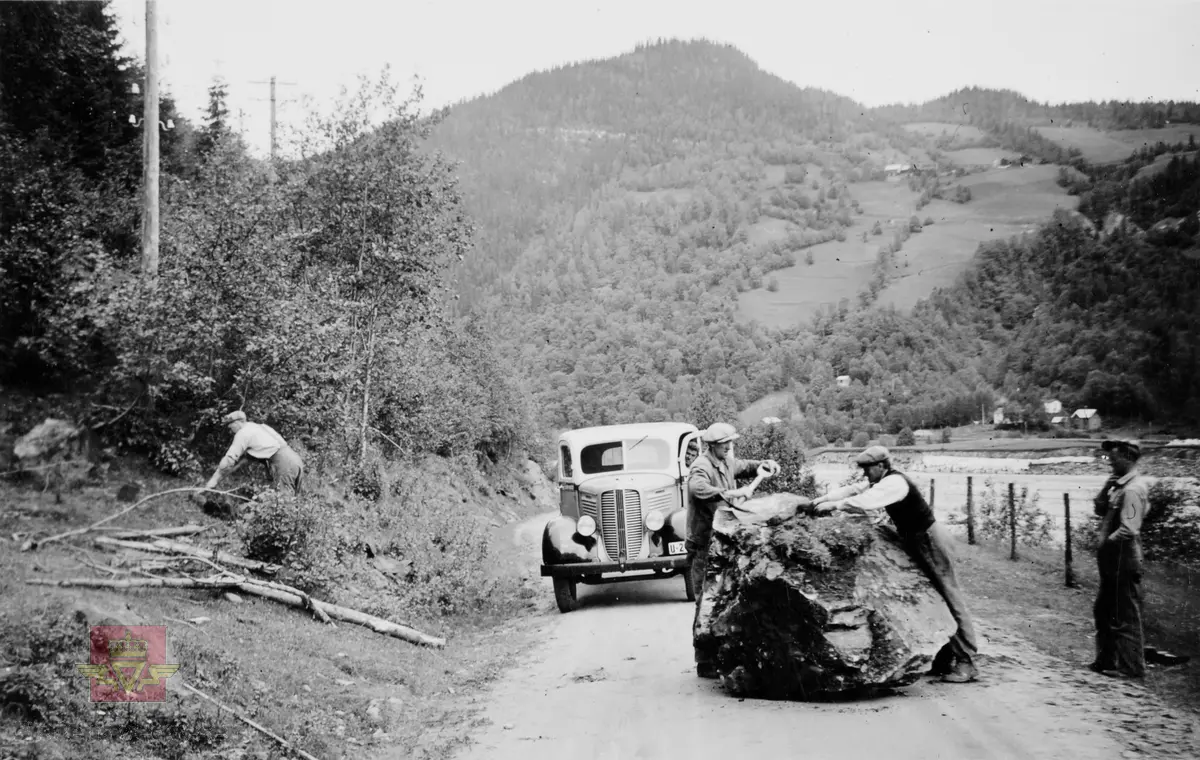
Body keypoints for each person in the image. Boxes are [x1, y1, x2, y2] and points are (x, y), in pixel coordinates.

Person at [811, 445, 979, 684]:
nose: (865, 474)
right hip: (915, 538)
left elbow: (866, 501)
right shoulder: (881, 480)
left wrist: (835, 506)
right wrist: (820, 500)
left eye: (868, 469)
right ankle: (944, 658)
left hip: (928, 539)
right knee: (932, 595)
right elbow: (854, 489)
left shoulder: (895, 483)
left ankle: (966, 662)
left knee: (949, 596)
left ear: (881, 466)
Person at [687, 422, 777, 678]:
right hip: (704, 544)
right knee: (704, 601)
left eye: (730, 443)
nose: (729, 447)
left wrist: (762, 464)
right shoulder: (701, 466)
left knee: (725, 597)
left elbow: (742, 466)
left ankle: (721, 655)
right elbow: (698, 488)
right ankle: (704, 661)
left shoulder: (725, 460)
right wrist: (729, 493)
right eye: (724, 444)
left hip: (722, 541)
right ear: (712, 446)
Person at [1090, 439, 1150, 679]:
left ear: (1127, 458)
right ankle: (1106, 661)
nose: (1110, 464)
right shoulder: (1118, 485)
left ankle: (1132, 667)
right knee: (1103, 611)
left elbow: (1129, 529)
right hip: (1111, 560)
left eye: (1113, 460)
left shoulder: (1134, 489)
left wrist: (1106, 543)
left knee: (1125, 614)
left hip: (1124, 560)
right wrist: (1107, 486)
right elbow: (1099, 508)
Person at [202, 410, 304, 496]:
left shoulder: (243, 433)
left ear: (236, 423)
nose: (230, 430)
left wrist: (213, 480)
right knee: (294, 499)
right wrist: (225, 475)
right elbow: (246, 460)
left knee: (284, 501)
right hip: (294, 459)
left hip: (283, 463)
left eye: (230, 427)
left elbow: (229, 460)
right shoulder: (257, 427)